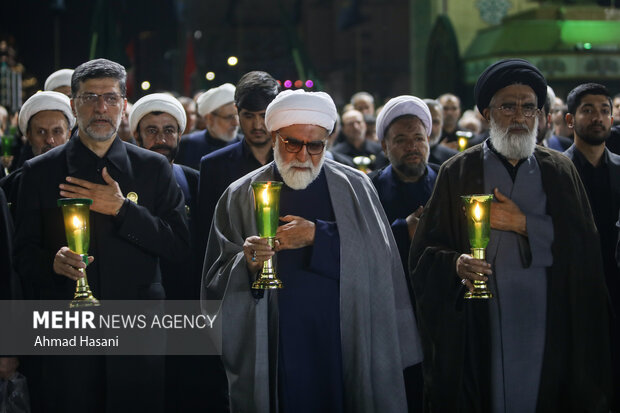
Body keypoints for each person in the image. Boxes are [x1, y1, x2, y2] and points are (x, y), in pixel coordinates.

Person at [409, 58, 612, 412]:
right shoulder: (458, 171)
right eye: (508, 106)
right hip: (478, 329)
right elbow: (424, 252)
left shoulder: (560, 171)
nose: (519, 116)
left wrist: (524, 224)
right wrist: (456, 263)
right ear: (486, 113)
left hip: (550, 327)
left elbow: (585, 252)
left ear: (540, 115)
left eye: (528, 107)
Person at [202, 89, 421, 413]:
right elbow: (214, 282)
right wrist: (245, 263)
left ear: (327, 142)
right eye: (292, 143)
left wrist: (319, 236)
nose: (303, 155)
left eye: (314, 145)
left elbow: (381, 262)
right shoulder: (239, 195)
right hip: (275, 344)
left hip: (344, 341)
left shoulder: (355, 187)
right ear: (275, 137)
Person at [13, 58, 189, 413]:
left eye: (110, 98)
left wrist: (123, 210)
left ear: (124, 105)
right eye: (90, 98)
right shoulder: (38, 172)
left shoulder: (152, 168)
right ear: (74, 104)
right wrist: (52, 262)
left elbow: (179, 247)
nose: (101, 108)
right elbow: (19, 255)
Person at [370, 95, 437, 413]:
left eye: (418, 138)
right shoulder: (368, 189)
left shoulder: (448, 181)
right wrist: (403, 230)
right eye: (401, 139)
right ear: (384, 146)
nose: (412, 146)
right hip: (390, 314)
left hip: (440, 313)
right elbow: (360, 245)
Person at [562, 82, 620, 411]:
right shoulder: (554, 170)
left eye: (604, 111)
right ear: (570, 120)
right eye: (588, 110)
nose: (597, 117)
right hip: (575, 289)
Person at [196, 71, 278, 262]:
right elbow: (207, 235)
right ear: (237, 112)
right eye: (248, 116)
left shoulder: (292, 163)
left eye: (264, 115)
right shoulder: (213, 165)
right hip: (232, 270)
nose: (257, 125)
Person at [0, 91, 75, 218]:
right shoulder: (10, 186)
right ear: (28, 135)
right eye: (41, 132)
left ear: (68, 134)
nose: (49, 140)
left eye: (57, 131)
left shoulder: (84, 179)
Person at [177, 83, 240, 169]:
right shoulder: (186, 145)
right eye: (229, 117)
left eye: (237, 116)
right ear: (210, 118)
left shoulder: (245, 145)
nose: (236, 123)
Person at [423, 98, 457, 165]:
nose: (431, 128)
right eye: (426, 122)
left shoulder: (454, 159)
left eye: (435, 122)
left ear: (442, 124)